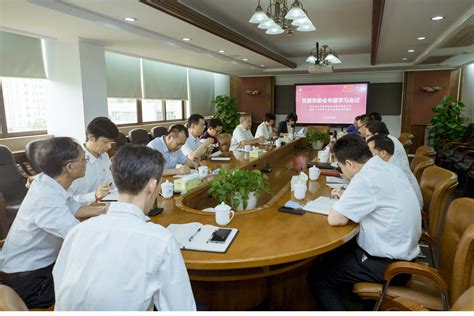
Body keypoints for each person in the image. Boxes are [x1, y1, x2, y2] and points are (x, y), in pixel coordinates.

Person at [53, 145, 196, 311]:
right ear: (152, 186)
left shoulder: (77, 231)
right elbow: (181, 308)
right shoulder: (160, 240)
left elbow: (61, 285)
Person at [309, 134, 421, 311]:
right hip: (406, 255)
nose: (342, 172)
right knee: (334, 254)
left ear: (350, 164)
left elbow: (335, 219)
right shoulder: (387, 168)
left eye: (341, 167)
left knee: (319, 276)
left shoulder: (365, 178)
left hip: (389, 266)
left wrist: (341, 202)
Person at [0, 137, 107, 308]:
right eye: (83, 159)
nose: (86, 162)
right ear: (69, 167)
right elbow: (78, 237)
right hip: (29, 280)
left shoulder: (50, 181)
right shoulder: (45, 198)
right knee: (95, 286)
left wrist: (109, 210)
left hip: (43, 266)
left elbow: (76, 209)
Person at [70, 117, 119, 205]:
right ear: (91, 137)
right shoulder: (74, 161)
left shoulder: (104, 156)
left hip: (102, 206)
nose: (109, 147)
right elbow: (67, 200)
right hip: (80, 213)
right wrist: (94, 195)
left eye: (111, 142)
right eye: (105, 142)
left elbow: (111, 184)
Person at [367, 134, 423, 209]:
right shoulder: (389, 163)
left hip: (411, 210)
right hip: (406, 209)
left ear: (383, 153)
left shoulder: (392, 169)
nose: (366, 156)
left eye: (369, 152)